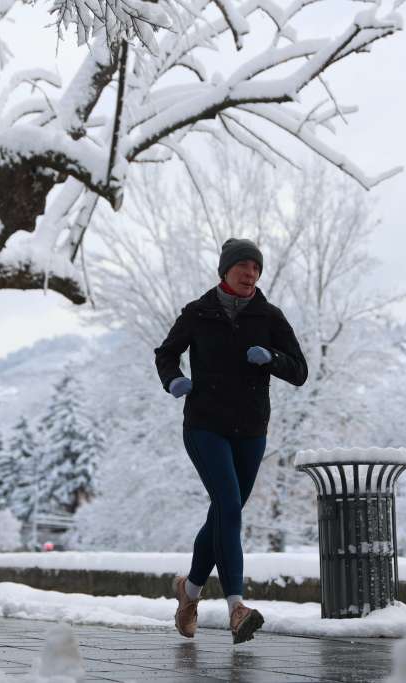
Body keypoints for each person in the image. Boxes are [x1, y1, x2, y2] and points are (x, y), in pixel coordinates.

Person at [154, 238, 309, 644]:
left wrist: (272, 359)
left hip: (251, 430)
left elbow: (300, 370)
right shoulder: (198, 312)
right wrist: (174, 380)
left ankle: (188, 592)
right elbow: (166, 353)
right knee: (227, 505)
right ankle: (236, 608)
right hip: (205, 425)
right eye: (243, 266)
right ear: (225, 270)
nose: (251, 274)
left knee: (225, 512)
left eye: (256, 268)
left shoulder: (269, 316)